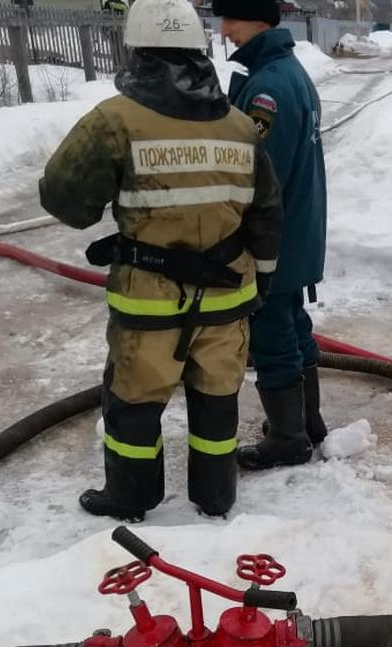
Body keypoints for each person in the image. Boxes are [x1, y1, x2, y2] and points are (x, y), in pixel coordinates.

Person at [40, 0, 282, 521]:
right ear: (200, 51)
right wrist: (260, 281)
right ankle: (215, 497)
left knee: (135, 403)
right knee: (217, 399)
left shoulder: (113, 121)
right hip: (227, 297)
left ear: (137, 49)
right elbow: (266, 212)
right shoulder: (242, 128)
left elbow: (64, 201)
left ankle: (131, 497)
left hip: (148, 300)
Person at [213, 0, 330, 469]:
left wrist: (235, 235)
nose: (224, 29)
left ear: (258, 19)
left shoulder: (269, 87)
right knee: (293, 325)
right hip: (297, 230)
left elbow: (260, 177)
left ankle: (288, 438)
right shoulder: (285, 71)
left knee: (271, 333)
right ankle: (307, 422)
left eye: (232, 18)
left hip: (276, 237)